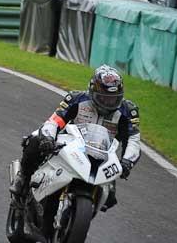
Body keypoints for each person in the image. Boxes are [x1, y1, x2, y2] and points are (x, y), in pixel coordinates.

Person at [10, 65, 141, 210]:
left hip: (102, 155)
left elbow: (133, 139)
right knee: (34, 140)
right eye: (103, 98)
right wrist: (48, 138)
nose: (108, 103)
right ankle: (23, 177)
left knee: (109, 198)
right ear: (92, 92)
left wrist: (127, 161)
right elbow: (55, 120)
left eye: (113, 100)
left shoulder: (128, 111)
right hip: (69, 145)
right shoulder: (76, 99)